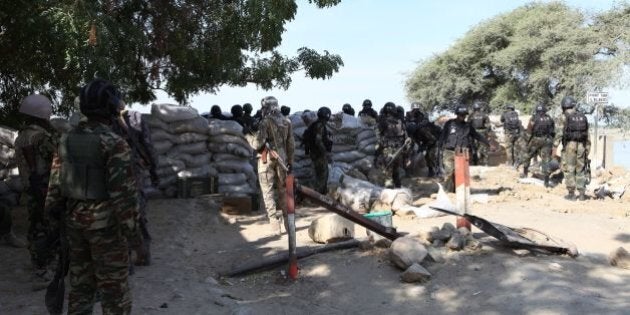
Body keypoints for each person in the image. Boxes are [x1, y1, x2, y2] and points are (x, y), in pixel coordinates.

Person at [45, 78, 140, 314]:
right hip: (106, 228)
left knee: (80, 288)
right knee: (114, 293)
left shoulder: (66, 139)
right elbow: (123, 196)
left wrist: (54, 220)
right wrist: (134, 235)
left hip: (74, 224)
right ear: (110, 107)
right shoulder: (114, 143)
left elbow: (55, 186)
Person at [13, 93, 58, 289]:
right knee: (47, 227)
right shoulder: (41, 136)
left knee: (35, 227)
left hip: (30, 189)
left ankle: (39, 265)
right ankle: (44, 270)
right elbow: (56, 157)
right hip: (44, 188)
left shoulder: (22, 135)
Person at [112, 100, 159, 266]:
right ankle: (141, 253)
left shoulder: (104, 121)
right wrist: (154, 167)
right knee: (137, 212)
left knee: (119, 213)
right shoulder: (135, 117)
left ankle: (132, 255)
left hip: (115, 173)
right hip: (133, 171)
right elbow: (147, 144)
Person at [252, 96, 295, 234]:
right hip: (282, 159)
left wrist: (249, 136)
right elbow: (291, 144)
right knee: (283, 192)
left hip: (267, 159)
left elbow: (257, 144)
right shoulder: (286, 121)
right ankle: (289, 225)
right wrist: (290, 161)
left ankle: (274, 225)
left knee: (268, 191)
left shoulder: (264, 122)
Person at [439, 106, 490, 192]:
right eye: (461, 115)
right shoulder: (449, 124)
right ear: (457, 115)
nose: (462, 117)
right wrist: (439, 146)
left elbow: (477, 136)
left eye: (464, 115)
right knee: (449, 172)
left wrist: (488, 143)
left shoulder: (468, 126)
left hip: (462, 153)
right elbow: (443, 135)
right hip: (449, 152)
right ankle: (447, 190)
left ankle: (459, 190)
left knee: (461, 172)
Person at [556, 96, 590, 200]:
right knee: (581, 168)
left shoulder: (563, 117)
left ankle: (571, 193)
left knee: (569, 168)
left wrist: (554, 147)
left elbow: (559, 134)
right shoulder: (582, 116)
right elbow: (587, 135)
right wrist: (587, 150)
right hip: (582, 145)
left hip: (569, 145)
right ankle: (582, 194)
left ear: (563, 106)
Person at [520, 104, 555, 187]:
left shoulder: (533, 118)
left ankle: (525, 172)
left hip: (536, 139)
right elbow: (553, 131)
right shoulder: (549, 118)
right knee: (546, 160)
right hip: (547, 140)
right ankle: (546, 181)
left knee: (527, 155)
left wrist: (526, 141)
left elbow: (529, 131)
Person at [376, 102, 408, 188]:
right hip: (399, 148)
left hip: (388, 148)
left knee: (388, 168)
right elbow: (406, 136)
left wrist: (379, 147)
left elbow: (378, 134)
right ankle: (397, 185)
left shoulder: (382, 121)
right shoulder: (399, 121)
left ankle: (389, 186)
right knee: (395, 168)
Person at [303, 107, 333, 194]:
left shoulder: (314, 124)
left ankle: (316, 195)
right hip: (318, 154)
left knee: (317, 175)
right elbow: (318, 140)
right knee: (322, 175)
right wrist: (325, 152)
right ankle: (318, 196)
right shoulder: (319, 125)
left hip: (314, 153)